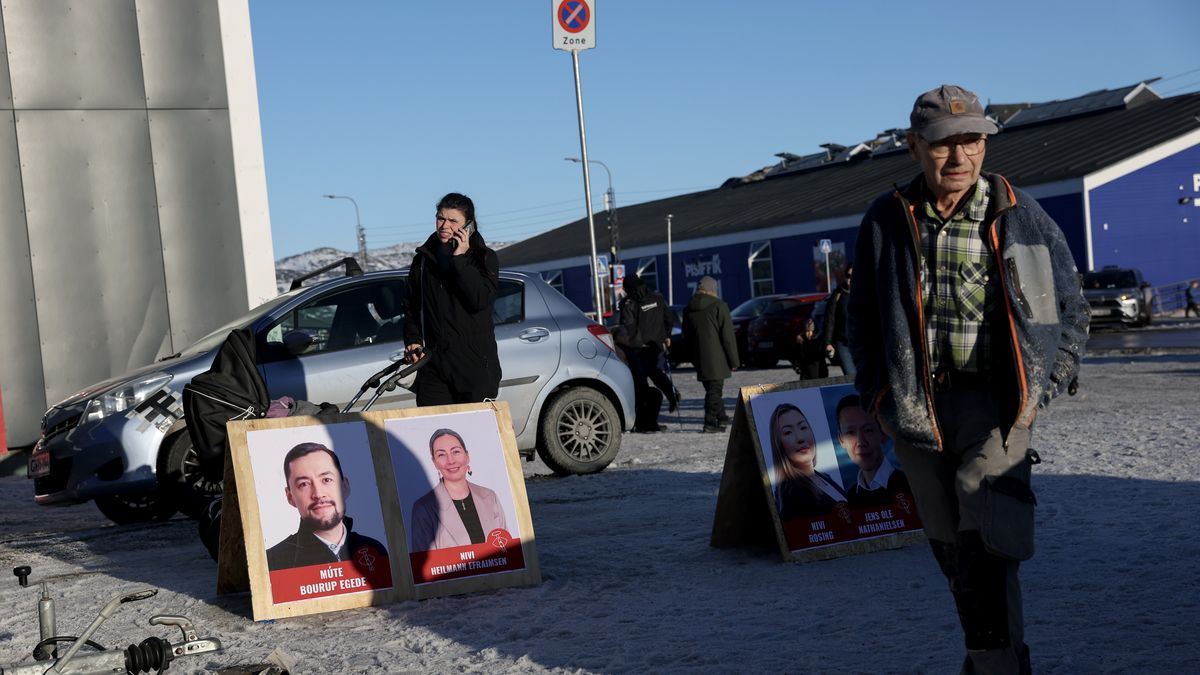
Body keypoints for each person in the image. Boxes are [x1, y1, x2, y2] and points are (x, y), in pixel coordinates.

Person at [848, 84, 1088, 673]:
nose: (960, 157)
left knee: (988, 542)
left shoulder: (1019, 213)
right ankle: (994, 657)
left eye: (972, 141)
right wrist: (879, 399)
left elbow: (1070, 309)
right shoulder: (887, 219)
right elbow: (862, 321)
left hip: (998, 409)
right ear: (913, 147)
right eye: (943, 144)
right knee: (953, 551)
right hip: (917, 409)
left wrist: (1042, 386)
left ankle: (997, 665)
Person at [403, 192, 501, 405]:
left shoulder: (484, 257)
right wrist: (413, 340)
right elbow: (412, 307)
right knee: (432, 423)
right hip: (434, 364)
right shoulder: (423, 261)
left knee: (474, 425)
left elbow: (479, 300)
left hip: (474, 364)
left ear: (468, 225)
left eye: (453, 221)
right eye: (440, 218)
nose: (444, 225)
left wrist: (460, 259)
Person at [266, 442, 388, 571]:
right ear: (290, 497)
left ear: (345, 487)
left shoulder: (375, 550)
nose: (318, 494)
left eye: (326, 480)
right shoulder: (273, 562)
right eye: (304, 484)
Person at [410, 428, 508, 551]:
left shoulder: (490, 497)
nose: (450, 461)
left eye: (456, 452)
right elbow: (425, 560)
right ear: (434, 462)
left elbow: (506, 551)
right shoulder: (424, 508)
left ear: (467, 456)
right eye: (441, 455)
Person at [617, 274, 678, 432]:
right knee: (656, 372)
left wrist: (631, 342)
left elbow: (628, 327)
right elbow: (669, 317)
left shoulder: (629, 303)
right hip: (656, 345)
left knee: (640, 384)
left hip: (637, 349)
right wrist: (667, 335)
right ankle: (671, 394)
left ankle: (645, 421)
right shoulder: (657, 297)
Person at [768, 403, 847, 521]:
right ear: (778, 444)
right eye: (788, 432)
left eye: (803, 427)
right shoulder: (791, 493)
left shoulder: (823, 477)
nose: (800, 438)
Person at [682, 276, 739, 433]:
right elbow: (728, 336)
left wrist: (692, 356)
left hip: (699, 356)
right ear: (713, 289)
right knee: (714, 390)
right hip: (717, 356)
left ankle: (722, 416)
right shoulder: (719, 305)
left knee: (711, 388)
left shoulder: (688, 308)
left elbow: (686, 336)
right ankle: (710, 422)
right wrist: (734, 360)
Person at [835, 394, 910, 510]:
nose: (861, 442)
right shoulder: (849, 499)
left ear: (883, 433)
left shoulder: (910, 485)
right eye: (850, 433)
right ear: (841, 440)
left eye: (868, 430)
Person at [822, 265, 855, 378]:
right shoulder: (838, 295)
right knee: (850, 375)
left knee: (866, 375)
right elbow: (830, 319)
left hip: (862, 343)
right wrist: (828, 343)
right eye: (848, 276)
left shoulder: (865, 294)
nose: (851, 279)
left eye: (854, 276)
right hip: (843, 344)